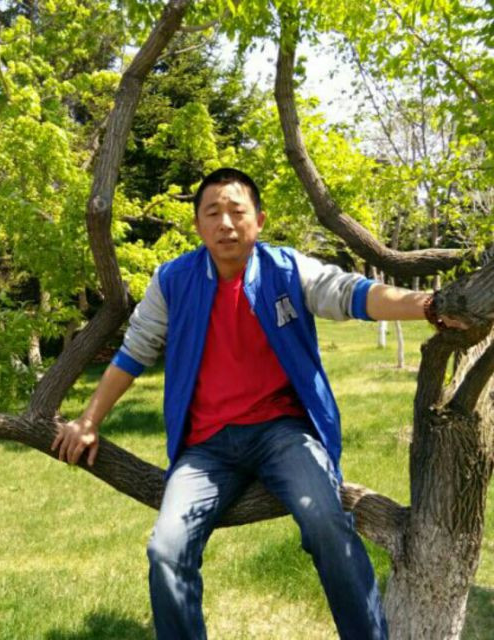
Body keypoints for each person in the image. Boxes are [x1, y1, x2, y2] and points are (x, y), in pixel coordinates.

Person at [52, 168, 461, 639]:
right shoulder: (172, 281)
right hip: (206, 447)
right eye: (213, 213)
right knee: (166, 549)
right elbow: (134, 352)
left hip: (282, 433)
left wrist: (427, 305)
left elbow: (350, 294)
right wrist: (88, 420)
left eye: (237, 211)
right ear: (198, 225)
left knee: (327, 523)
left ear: (259, 220)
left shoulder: (286, 269)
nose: (226, 223)